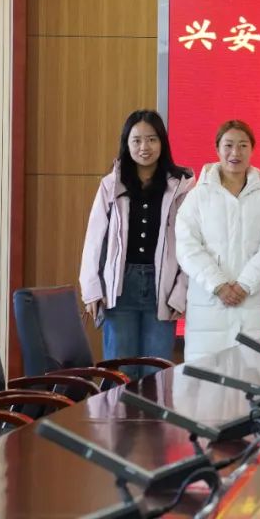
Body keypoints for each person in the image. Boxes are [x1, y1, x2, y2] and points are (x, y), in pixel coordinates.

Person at [79, 110, 194, 378]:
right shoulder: (112, 185)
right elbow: (94, 239)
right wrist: (92, 290)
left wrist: (181, 292)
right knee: (120, 372)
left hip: (162, 288)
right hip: (120, 288)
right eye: (137, 140)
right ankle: (117, 410)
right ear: (126, 144)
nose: (145, 147)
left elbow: (191, 245)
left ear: (162, 143)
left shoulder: (181, 187)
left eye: (152, 139)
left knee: (156, 373)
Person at [175, 120, 260, 362]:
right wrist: (219, 285)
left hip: (253, 307)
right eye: (228, 145)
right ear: (217, 149)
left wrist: (245, 284)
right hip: (208, 309)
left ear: (252, 149)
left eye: (243, 145)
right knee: (206, 378)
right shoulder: (197, 197)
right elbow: (187, 247)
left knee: (252, 378)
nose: (235, 152)